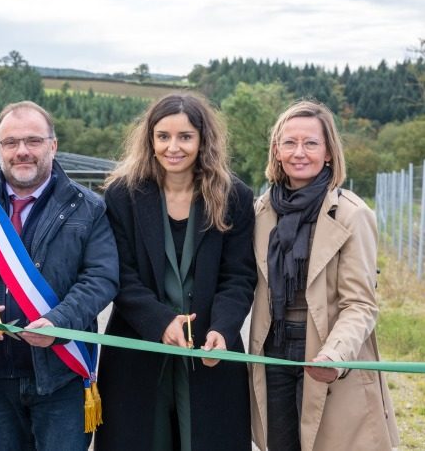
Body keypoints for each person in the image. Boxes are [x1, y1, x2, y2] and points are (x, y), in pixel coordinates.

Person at [0, 100, 118, 451]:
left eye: (33, 141)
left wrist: (59, 321)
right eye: (11, 143)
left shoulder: (88, 207)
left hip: (61, 373)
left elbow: (101, 277)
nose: (22, 152)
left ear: (53, 145)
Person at [95, 93, 256, 451]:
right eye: (163, 136)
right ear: (150, 140)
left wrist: (223, 329)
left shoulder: (234, 197)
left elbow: (239, 277)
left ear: (202, 140)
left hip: (209, 352)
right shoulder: (123, 195)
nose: (174, 147)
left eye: (185, 136)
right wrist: (160, 320)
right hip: (137, 347)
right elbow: (120, 274)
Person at [248, 100, 399, 450]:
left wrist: (335, 355)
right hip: (273, 353)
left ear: (329, 152)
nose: (299, 152)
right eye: (290, 142)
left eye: (311, 143)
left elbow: (360, 303)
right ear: (277, 150)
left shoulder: (352, 214)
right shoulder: (262, 211)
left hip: (326, 355)